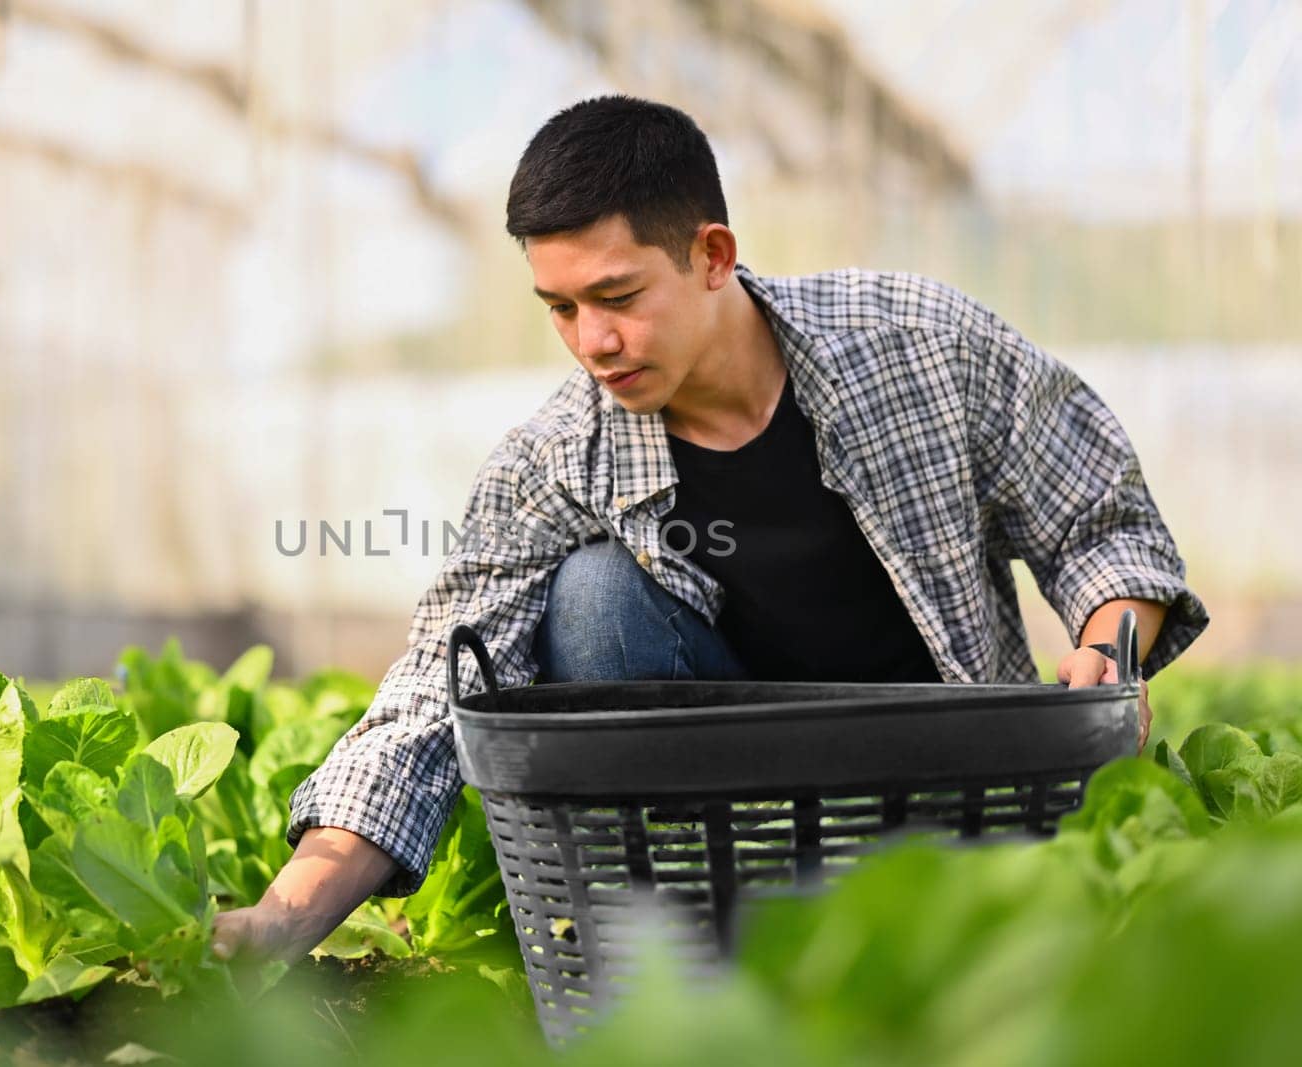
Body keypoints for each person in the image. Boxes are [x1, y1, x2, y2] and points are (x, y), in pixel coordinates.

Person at [211, 96, 1209, 964]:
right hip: (744, 829)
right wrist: (288, 908)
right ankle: (703, 942)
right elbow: (435, 686)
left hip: (952, 786)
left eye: (616, 296)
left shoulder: (915, 343)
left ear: (711, 256)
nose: (591, 341)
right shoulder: (555, 462)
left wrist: (1106, 643)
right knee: (594, 592)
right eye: (558, 307)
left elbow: (1099, 520)